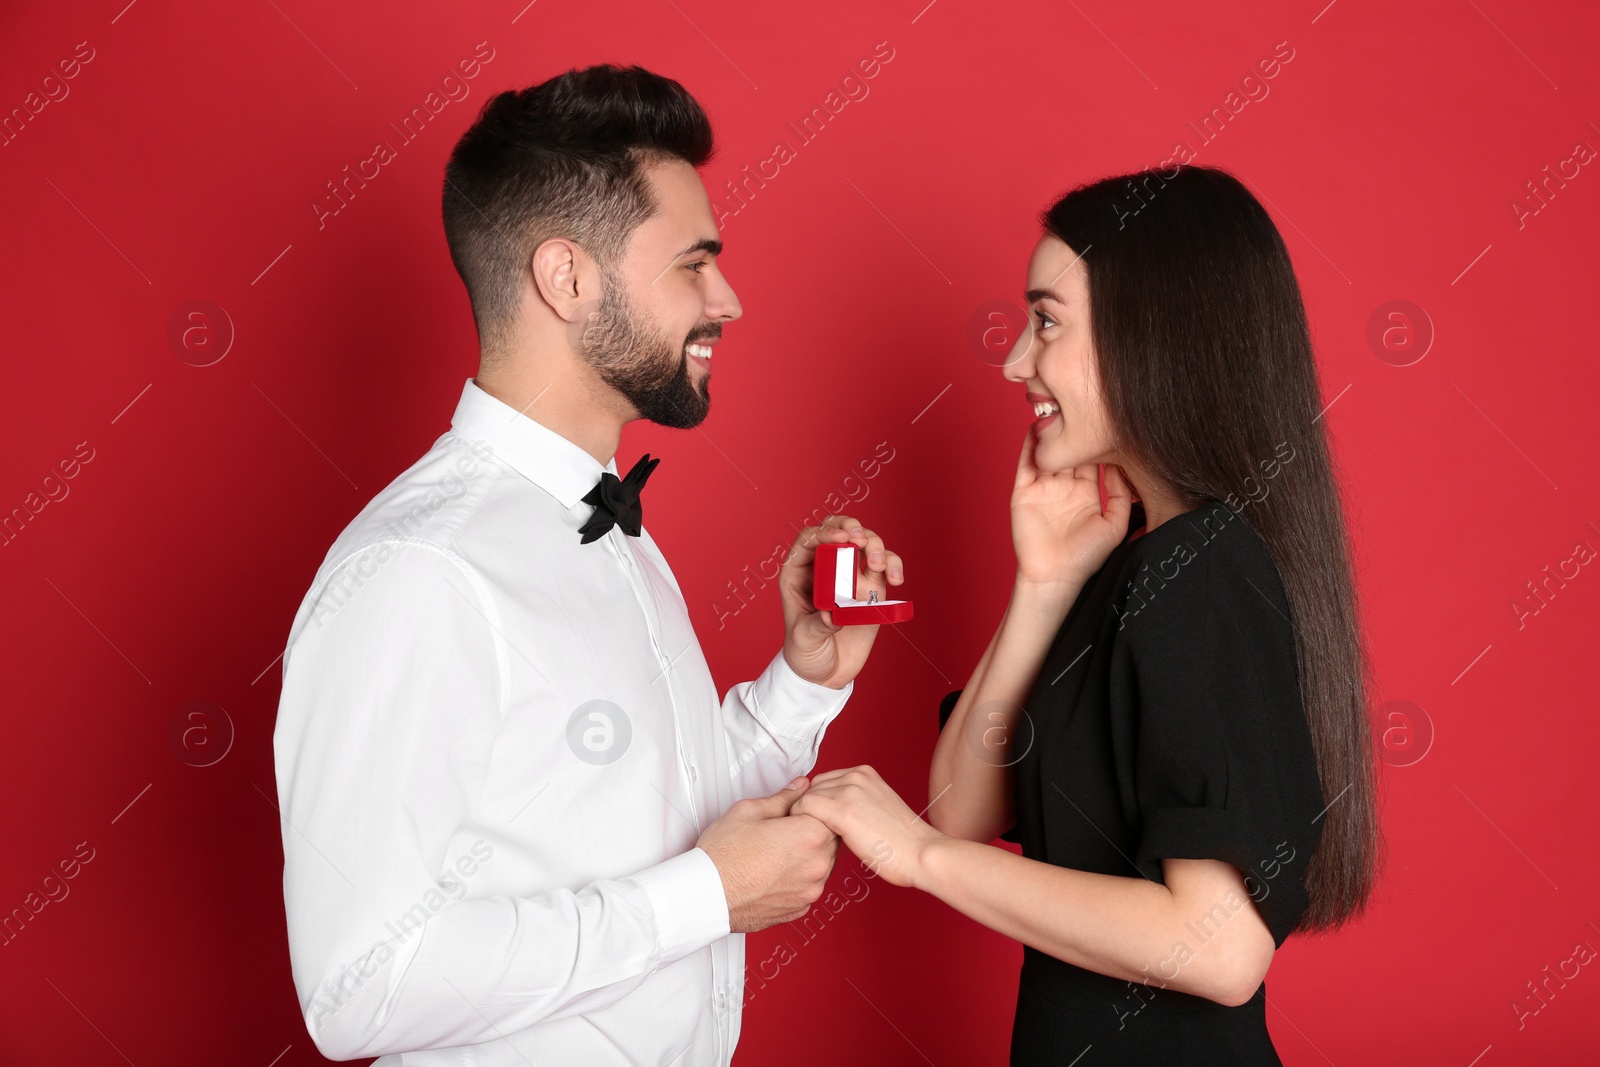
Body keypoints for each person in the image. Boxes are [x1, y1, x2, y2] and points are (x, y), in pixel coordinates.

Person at [271, 64, 906, 1065]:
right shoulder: (420, 571)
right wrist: (703, 897)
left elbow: (651, 818)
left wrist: (804, 682)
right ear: (567, 278)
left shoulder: (608, 530)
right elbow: (359, 983)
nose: (728, 299)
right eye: (693, 262)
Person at [791, 164, 1381, 1064]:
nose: (1014, 359)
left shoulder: (1199, 568)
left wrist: (916, 858)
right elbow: (959, 808)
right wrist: (1046, 583)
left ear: (1157, 337)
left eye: (1047, 321)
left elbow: (1221, 948)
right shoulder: (1139, 562)